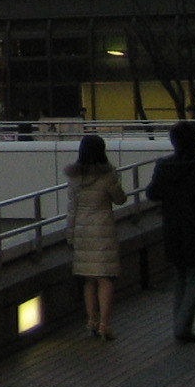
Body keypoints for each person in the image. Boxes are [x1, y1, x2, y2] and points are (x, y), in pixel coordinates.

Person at [146, 120, 195, 344]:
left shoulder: (163, 167)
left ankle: (179, 323)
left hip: (172, 229)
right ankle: (183, 325)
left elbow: (152, 194)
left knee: (180, 276)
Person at [66, 133, 128, 339]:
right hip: (102, 230)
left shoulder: (74, 177)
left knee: (88, 280)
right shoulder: (108, 176)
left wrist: (70, 235)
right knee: (105, 278)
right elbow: (120, 199)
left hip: (82, 230)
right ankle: (104, 324)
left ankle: (91, 320)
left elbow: (72, 209)